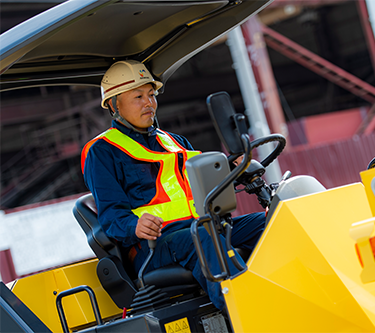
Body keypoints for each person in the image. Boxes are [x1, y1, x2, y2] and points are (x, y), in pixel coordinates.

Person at [81, 60, 265, 310]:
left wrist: (232, 171)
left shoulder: (175, 141)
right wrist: (136, 225)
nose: (149, 103)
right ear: (114, 104)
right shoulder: (102, 152)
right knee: (203, 238)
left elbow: (203, 186)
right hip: (155, 246)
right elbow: (112, 218)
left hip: (205, 227)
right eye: (138, 96)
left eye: (151, 94)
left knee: (271, 222)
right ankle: (251, 316)